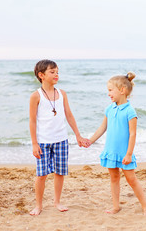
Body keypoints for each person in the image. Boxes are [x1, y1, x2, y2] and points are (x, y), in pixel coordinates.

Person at [87, 72, 146, 216]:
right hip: (111, 150)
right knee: (114, 178)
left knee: (131, 179)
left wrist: (129, 154)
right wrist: (90, 141)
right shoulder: (109, 109)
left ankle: (145, 206)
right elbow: (103, 127)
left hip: (124, 152)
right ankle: (116, 206)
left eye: (110, 90)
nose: (108, 93)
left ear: (122, 90)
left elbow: (133, 134)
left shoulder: (130, 111)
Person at [29, 59, 88, 216]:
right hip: (43, 142)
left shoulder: (62, 94)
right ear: (41, 75)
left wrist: (78, 134)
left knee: (60, 172)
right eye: (52, 72)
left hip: (61, 140)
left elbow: (69, 114)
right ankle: (39, 205)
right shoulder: (36, 96)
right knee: (41, 174)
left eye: (57, 72)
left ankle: (57, 202)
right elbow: (32, 121)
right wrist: (34, 143)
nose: (56, 74)